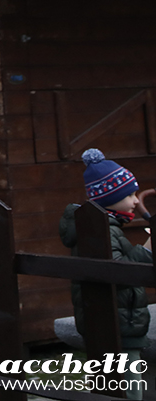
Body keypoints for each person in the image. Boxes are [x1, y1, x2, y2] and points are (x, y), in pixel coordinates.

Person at [60, 148, 152, 400]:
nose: (135, 201)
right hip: (119, 325)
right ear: (109, 198)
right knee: (129, 390)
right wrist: (149, 249)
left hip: (116, 322)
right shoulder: (102, 231)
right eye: (130, 194)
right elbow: (121, 272)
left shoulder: (101, 227)